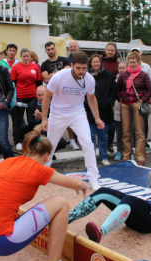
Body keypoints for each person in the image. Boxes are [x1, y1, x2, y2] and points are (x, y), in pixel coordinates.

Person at [0, 126, 89, 261]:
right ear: (47, 157)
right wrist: (82, 184)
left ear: (27, 150)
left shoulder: (9, 162)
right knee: (61, 203)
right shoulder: (40, 169)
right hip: (1, 241)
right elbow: (74, 183)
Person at [41, 51, 105, 191]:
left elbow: (91, 98)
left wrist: (97, 118)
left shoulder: (89, 79)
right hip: (57, 113)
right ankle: (44, 175)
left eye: (83, 68)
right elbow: (46, 97)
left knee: (87, 142)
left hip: (77, 113)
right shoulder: (59, 77)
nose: (81, 71)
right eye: (78, 68)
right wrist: (45, 118)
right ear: (71, 65)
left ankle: (93, 178)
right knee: (50, 145)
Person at [116, 52, 151, 165]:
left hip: (137, 103)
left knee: (139, 132)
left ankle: (140, 156)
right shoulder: (123, 75)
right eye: (130, 62)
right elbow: (117, 89)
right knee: (126, 132)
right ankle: (126, 155)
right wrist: (120, 98)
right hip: (125, 104)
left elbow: (150, 90)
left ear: (138, 62)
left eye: (134, 62)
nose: (132, 64)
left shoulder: (143, 75)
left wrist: (142, 100)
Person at [41, 42, 78, 150]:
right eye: (48, 49)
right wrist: (57, 75)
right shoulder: (44, 64)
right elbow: (45, 79)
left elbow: (68, 73)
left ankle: (72, 140)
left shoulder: (64, 60)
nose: (51, 51)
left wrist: (52, 75)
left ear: (55, 48)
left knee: (69, 118)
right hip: (52, 94)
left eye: (52, 48)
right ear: (46, 51)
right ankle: (54, 142)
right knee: (54, 119)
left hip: (66, 93)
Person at [85, 54, 116, 166]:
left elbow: (113, 90)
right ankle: (91, 159)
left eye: (98, 62)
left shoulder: (108, 75)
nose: (96, 64)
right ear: (90, 63)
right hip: (89, 112)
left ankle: (103, 157)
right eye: (94, 62)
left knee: (103, 137)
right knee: (91, 137)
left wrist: (110, 102)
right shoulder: (86, 76)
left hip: (105, 111)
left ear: (101, 63)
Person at [11, 48, 42, 151]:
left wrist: (38, 96)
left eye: (27, 56)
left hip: (32, 97)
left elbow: (38, 83)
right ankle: (18, 141)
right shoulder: (16, 67)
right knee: (18, 121)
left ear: (30, 56)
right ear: (21, 56)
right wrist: (14, 98)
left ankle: (33, 140)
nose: (25, 58)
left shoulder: (35, 67)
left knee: (32, 120)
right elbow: (12, 84)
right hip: (20, 97)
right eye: (23, 56)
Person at [113, 62, 127, 161]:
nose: (121, 70)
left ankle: (128, 151)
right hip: (117, 110)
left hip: (128, 109)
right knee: (119, 133)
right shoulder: (114, 81)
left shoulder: (130, 79)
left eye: (123, 68)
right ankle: (119, 150)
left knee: (128, 132)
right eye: (120, 68)